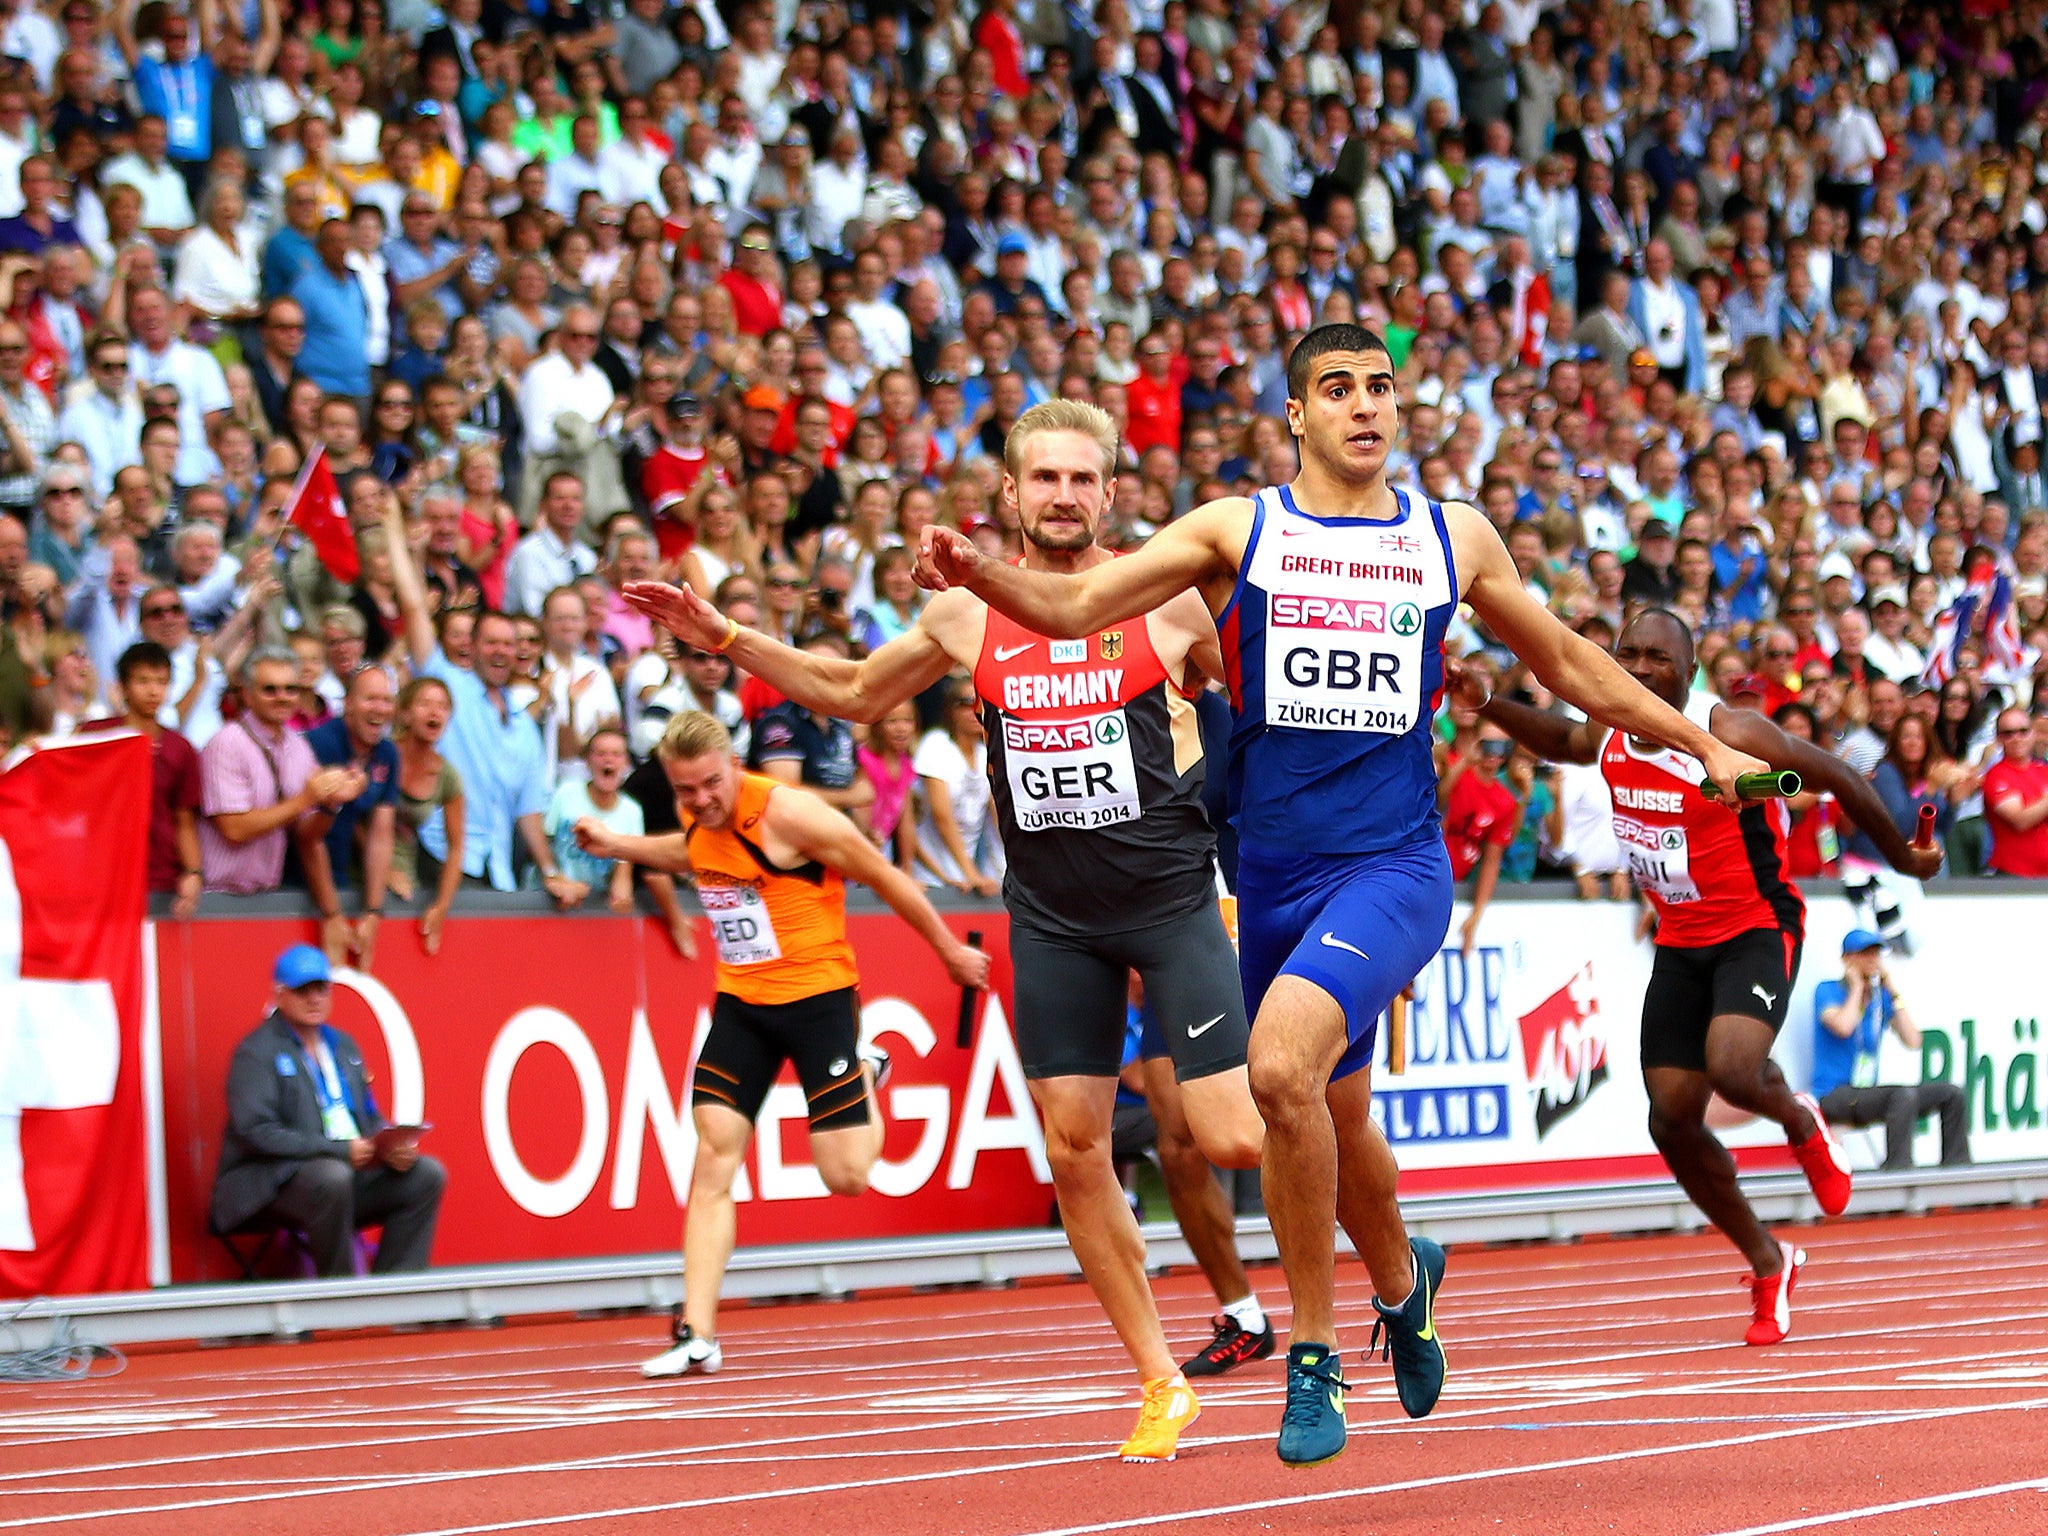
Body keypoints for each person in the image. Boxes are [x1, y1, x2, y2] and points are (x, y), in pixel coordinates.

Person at [909, 323, 1770, 1467]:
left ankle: (1311, 1356)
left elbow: (1565, 662)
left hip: (1393, 867)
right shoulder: (1236, 529)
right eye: (1336, 388)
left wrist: (1695, 746)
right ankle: (1406, 1282)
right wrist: (984, 574)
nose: (1363, 405)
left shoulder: (1448, 536)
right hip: (1268, 876)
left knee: (1274, 1073)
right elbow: (1072, 610)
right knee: (1334, 1120)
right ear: (1295, 420)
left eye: (1380, 387)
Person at [623, 399, 1269, 1462]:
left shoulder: (1168, 600)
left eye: (1080, 479)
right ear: (1007, 496)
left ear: (1107, 493)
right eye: (1042, 479)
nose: (1062, 496)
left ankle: (1364, 1270)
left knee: (1235, 1135)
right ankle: (1160, 1381)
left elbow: (1262, 708)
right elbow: (847, 692)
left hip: (1169, 905)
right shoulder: (966, 619)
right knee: (1074, 1151)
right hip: (1053, 919)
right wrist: (725, 637)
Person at [1470, 608, 1944, 1346]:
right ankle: (1768, 1260)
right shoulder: (1609, 723)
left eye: (1658, 658)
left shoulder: (1734, 733)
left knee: (1732, 1068)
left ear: (1689, 672)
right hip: (1681, 939)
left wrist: (1904, 857)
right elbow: (1563, 741)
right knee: (1671, 1120)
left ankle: (1799, 1119)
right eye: (1628, 653)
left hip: (1757, 928)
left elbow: (1837, 778)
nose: (1639, 668)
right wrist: (1483, 703)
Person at [574, 710, 990, 1378]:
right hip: (742, 1004)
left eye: (712, 784)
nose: (702, 800)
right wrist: (616, 844)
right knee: (713, 1151)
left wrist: (947, 951)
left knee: (846, 1175)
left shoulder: (792, 814)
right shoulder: (699, 819)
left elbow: (883, 876)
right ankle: (698, 1333)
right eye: (686, 792)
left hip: (819, 999)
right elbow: (691, 852)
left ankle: (865, 1066)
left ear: (732, 765)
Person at [209, 944, 446, 1277]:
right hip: (271, 1184)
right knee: (331, 1178)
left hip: (342, 1173)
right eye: (302, 989)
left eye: (320, 988)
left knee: (425, 1174)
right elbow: (256, 1132)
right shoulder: (255, 1052)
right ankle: (341, 1298)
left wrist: (389, 1146)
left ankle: (395, 1294)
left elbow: (367, 1116)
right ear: (280, 994)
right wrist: (336, 1150)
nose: (314, 998)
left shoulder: (343, 1046)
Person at [1811, 930, 1970, 1169]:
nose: (1873, 959)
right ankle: (1898, 1170)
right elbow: (1843, 1027)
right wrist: (1856, 988)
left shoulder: (1880, 998)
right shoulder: (1827, 990)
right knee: (1900, 1096)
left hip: (1866, 1092)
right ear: (1847, 959)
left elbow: (1913, 1040)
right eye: (1865, 954)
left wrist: (1892, 989)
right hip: (1835, 1094)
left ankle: (1958, 1168)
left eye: (1876, 953)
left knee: (1951, 1094)